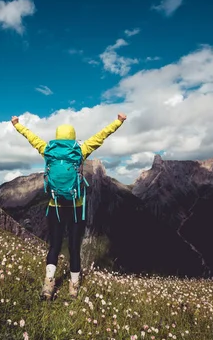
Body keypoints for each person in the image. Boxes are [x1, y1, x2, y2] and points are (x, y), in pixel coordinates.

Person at [11, 113, 127, 300]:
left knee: (54, 246)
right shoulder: (80, 151)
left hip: (55, 204)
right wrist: (119, 121)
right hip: (76, 206)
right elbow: (102, 136)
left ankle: (48, 286)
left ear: (57, 136)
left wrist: (17, 125)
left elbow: (30, 137)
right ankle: (73, 288)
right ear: (73, 137)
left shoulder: (47, 150)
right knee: (74, 247)